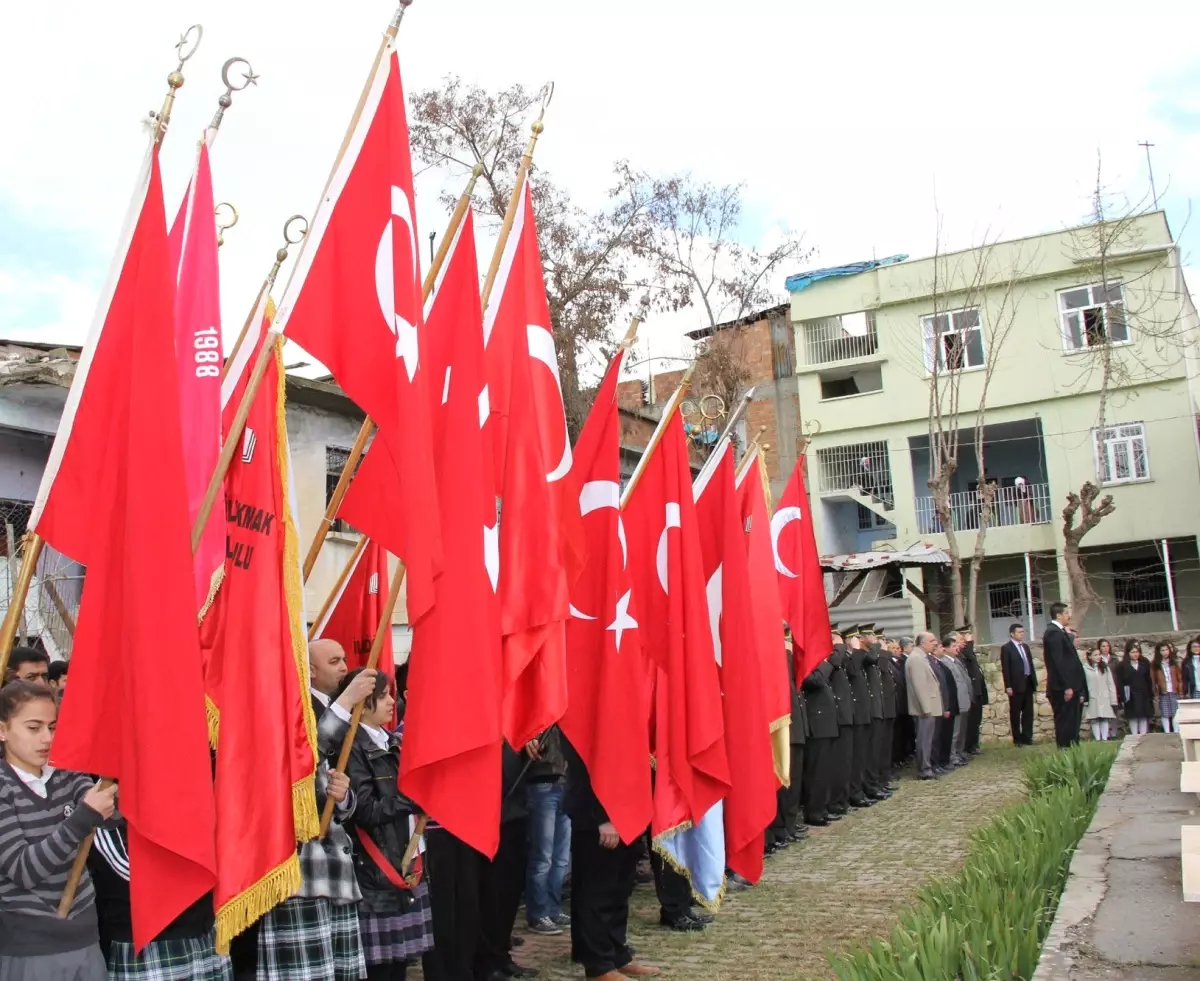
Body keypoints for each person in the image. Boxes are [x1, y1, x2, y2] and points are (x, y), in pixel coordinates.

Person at [234, 650, 376, 981]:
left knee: (338, 970)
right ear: (308, 669)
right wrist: (345, 704)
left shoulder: (328, 709)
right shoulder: (289, 709)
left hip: (335, 867)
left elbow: (327, 784)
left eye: (344, 659)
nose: (344, 667)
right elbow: (299, 765)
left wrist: (343, 796)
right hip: (298, 870)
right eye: (334, 661)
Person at [0, 679, 116, 980]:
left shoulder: (65, 771)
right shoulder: (3, 787)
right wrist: (83, 818)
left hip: (86, 939)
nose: (46, 738)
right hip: (30, 949)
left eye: (52, 727)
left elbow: (111, 816)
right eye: (33, 727)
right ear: (2, 730)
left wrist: (116, 775)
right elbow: (23, 869)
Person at [340, 669, 433, 981]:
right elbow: (365, 810)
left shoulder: (391, 740)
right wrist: (414, 799)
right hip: (377, 868)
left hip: (402, 860)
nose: (392, 701)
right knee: (380, 969)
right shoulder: (352, 746)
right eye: (382, 696)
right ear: (362, 702)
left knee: (399, 965)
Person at [89, 814, 231, 981]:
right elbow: (128, 870)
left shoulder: (197, 792)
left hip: (206, 936)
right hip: (149, 948)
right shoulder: (102, 798)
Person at [562, 739, 659, 981]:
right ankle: (598, 965)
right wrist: (604, 817)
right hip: (598, 814)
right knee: (597, 891)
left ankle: (617, 954)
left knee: (619, 887)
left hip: (626, 808)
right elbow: (588, 760)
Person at [524, 727, 571, 935]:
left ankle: (553, 908)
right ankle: (538, 913)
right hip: (542, 780)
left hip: (566, 782)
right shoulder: (541, 707)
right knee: (543, 855)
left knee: (560, 857)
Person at [800, 647, 839, 827]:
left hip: (827, 722)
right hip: (817, 722)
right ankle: (814, 811)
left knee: (825, 770)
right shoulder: (806, 663)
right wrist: (825, 664)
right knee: (815, 772)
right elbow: (814, 681)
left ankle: (822, 807)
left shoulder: (819, 664)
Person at [1042, 603, 1087, 749]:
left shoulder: (1060, 632)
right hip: (1061, 687)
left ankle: (1073, 747)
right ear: (1058, 615)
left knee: (1073, 720)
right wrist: (1067, 686)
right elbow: (1058, 662)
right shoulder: (1053, 633)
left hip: (1071, 685)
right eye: (1066, 613)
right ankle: (1065, 749)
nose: (1069, 616)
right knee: (1065, 720)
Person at [905, 634, 945, 781]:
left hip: (928, 705)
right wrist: (926, 708)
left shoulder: (922, 657)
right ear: (923, 643)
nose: (935, 643)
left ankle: (927, 766)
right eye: (932, 641)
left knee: (928, 738)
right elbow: (919, 685)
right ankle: (924, 769)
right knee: (924, 739)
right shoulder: (916, 658)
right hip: (923, 708)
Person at [843, 628, 876, 806]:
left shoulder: (856, 654)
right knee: (855, 759)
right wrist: (856, 650)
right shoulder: (846, 656)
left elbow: (873, 659)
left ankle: (861, 789)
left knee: (863, 755)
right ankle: (854, 793)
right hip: (854, 712)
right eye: (854, 637)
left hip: (863, 711)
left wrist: (869, 646)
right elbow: (853, 672)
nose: (858, 640)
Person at [826, 632, 855, 818]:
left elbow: (852, 670)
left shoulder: (839, 655)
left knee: (846, 762)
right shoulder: (831, 656)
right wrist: (838, 647)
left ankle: (843, 798)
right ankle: (834, 801)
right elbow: (835, 663)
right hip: (832, 717)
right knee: (835, 765)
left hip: (844, 714)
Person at [1000, 624, 1038, 747]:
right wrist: (1008, 686)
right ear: (1012, 634)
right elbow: (1006, 668)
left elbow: (1030, 665)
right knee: (1016, 713)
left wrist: (1034, 681)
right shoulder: (1007, 648)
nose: (1022, 634)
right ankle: (1017, 739)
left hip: (1028, 682)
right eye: (1019, 632)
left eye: (1023, 632)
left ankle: (1027, 737)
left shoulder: (1025, 647)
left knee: (1028, 712)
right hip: (1016, 685)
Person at [940, 636, 973, 767]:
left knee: (962, 729)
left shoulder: (956, 660)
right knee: (955, 730)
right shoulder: (944, 662)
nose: (956, 648)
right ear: (946, 648)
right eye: (953, 646)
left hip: (965, 699)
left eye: (956, 646)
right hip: (957, 700)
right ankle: (952, 755)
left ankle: (959, 752)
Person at [957, 625, 988, 756]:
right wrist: (969, 644)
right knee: (971, 722)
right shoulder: (963, 653)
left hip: (978, 690)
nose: (967, 641)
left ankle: (974, 744)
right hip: (971, 692)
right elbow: (969, 658)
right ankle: (969, 746)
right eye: (965, 638)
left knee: (976, 720)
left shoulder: (969, 652)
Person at [930, 640, 957, 774]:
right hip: (938, 705)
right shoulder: (933, 663)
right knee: (938, 736)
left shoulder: (939, 663)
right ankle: (938, 762)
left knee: (946, 734)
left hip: (947, 703)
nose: (942, 650)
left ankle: (944, 760)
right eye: (940, 647)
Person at [1082, 648, 1119, 743]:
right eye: (1095, 655)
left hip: (1104, 696)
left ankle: (1104, 738)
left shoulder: (1105, 668)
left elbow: (1110, 683)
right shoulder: (1085, 668)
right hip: (1092, 696)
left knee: (1104, 718)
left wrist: (1113, 698)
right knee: (1094, 718)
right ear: (1089, 656)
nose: (1098, 657)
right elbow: (1083, 684)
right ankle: (1098, 738)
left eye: (1099, 655)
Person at [1118, 640, 1154, 736]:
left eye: (1137, 652)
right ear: (1128, 653)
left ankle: (1143, 734)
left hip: (1143, 693)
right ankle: (1134, 735)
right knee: (1133, 716)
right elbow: (1120, 682)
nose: (1135, 654)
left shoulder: (1144, 663)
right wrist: (1122, 696)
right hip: (1130, 694)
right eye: (1133, 652)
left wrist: (1151, 693)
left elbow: (1148, 679)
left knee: (1143, 715)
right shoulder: (1123, 666)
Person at [1151, 641, 1183, 734]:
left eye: (1166, 650)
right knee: (1165, 714)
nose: (1165, 652)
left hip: (1174, 691)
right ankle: (1167, 732)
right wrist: (1155, 693)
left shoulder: (1174, 662)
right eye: (1162, 650)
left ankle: (1176, 731)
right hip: (1163, 692)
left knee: (1175, 713)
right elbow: (1153, 679)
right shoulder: (1155, 664)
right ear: (1158, 652)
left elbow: (1179, 678)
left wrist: (1180, 691)